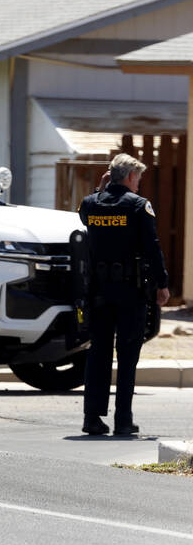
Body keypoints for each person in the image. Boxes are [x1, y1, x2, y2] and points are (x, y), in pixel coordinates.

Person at [77, 152, 170, 436]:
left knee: (99, 354)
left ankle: (92, 418)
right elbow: (152, 247)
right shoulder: (139, 206)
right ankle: (123, 419)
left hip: (99, 292)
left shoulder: (91, 203)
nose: (139, 184)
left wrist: (100, 187)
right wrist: (162, 284)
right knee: (128, 356)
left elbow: (83, 215)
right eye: (138, 178)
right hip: (131, 292)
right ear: (129, 177)